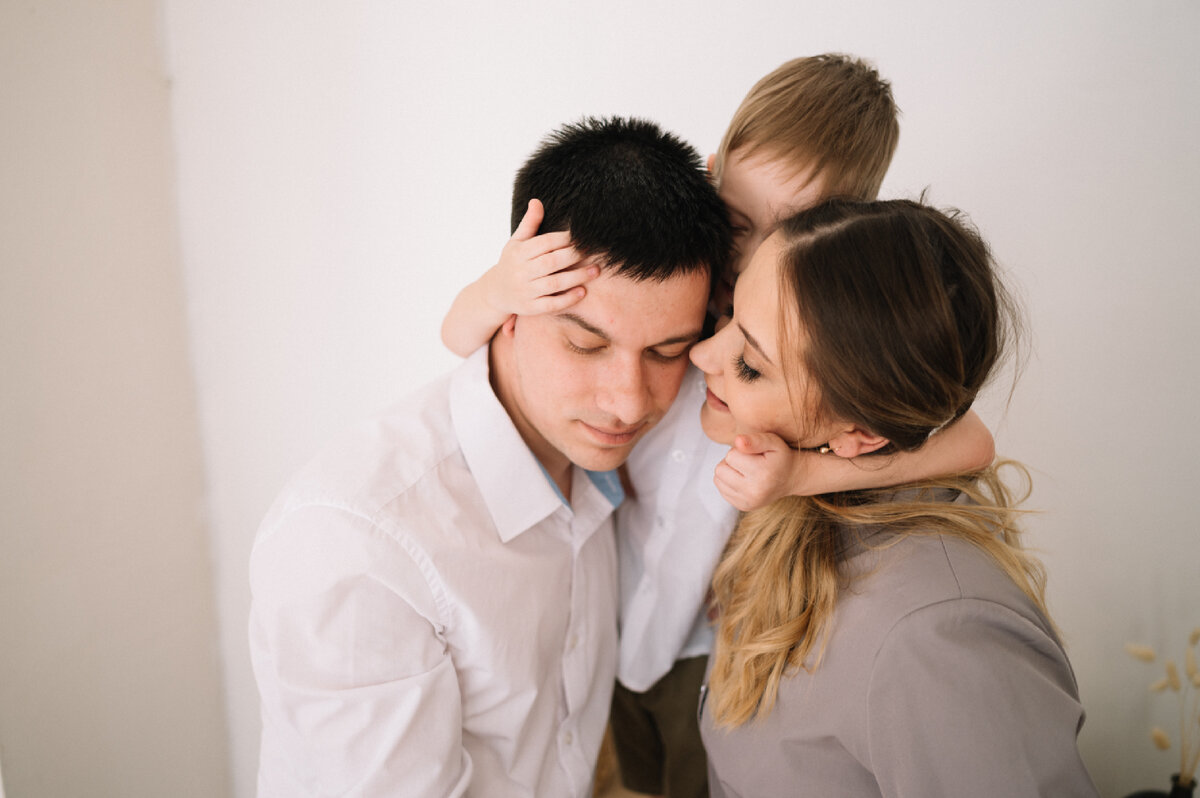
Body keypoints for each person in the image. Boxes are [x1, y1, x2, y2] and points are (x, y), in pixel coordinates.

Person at [441, 55, 994, 798]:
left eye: (791, 230)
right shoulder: (671, 294)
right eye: (737, 223)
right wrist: (500, 286)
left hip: (707, 642)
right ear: (713, 178)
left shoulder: (814, 361)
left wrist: (804, 471)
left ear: (837, 233)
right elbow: (461, 338)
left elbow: (972, 442)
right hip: (610, 604)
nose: (752, 256)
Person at [248, 116, 731, 798]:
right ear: (509, 307)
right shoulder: (356, 544)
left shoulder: (611, 468)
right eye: (586, 344)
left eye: (666, 352)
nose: (628, 402)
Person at [692, 198, 1099, 796]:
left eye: (750, 364)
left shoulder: (941, 641)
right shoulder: (796, 501)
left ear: (860, 434)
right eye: (730, 314)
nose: (702, 353)